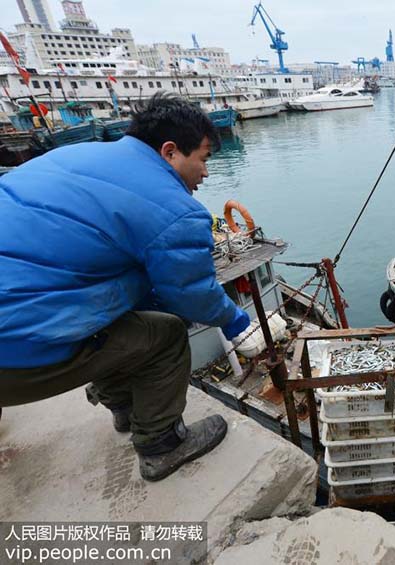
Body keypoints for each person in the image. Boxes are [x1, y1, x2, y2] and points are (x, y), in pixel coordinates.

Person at [0, 93, 251, 482]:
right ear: (170, 152)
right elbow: (192, 293)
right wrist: (236, 320)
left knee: (121, 320)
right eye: (202, 159)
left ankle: (124, 409)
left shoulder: (72, 157)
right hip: (13, 351)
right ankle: (161, 445)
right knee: (165, 333)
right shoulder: (175, 209)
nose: (205, 173)